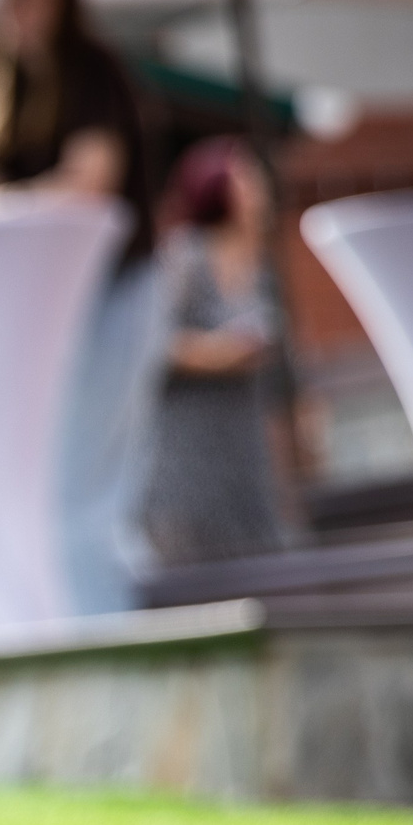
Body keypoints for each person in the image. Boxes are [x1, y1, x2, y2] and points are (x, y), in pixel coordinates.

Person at [0, 0, 161, 616]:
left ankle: (108, 624)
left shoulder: (93, 73)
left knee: (88, 485)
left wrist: (11, 202)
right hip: (43, 317)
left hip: (112, 295)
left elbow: (88, 184)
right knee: (45, 481)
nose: (12, 6)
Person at [140, 137, 289, 567]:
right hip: (186, 450)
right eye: (247, 179)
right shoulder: (186, 255)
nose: (259, 189)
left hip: (245, 449)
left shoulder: (264, 270)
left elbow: (282, 374)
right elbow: (151, 346)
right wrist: (219, 354)